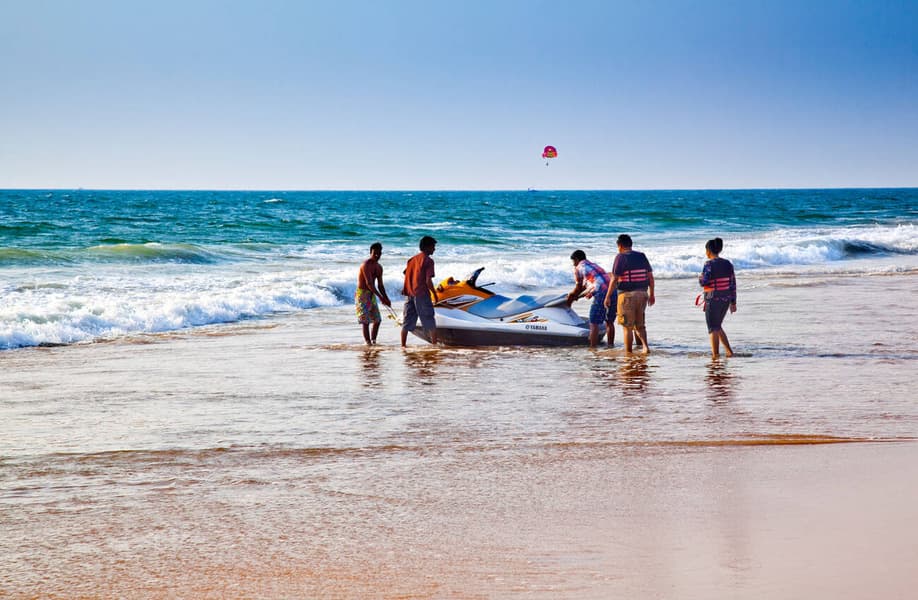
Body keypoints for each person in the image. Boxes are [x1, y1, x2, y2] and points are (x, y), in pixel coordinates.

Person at [604, 234, 655, 353]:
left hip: (627, 295)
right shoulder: (642, 256)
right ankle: (645, 347)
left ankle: (628, 353)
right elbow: (650, 277)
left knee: (627, 327)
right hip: (642, 294)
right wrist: (652, 294)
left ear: (620, 246)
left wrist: (607, 296)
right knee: (640, 325)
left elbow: (614, 279)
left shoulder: (620, 257)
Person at [566, 250, 615, 348]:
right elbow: (588, 285)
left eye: (573, 262)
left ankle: (593, 349)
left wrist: (570, 297)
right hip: (613, 291)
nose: (573, 265)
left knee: (593, 322)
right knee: (609, 321)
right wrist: (578, 295)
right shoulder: (594, 265)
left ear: (576, 259)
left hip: (601, 292)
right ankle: (610, 346)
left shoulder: (579, 267)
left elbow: (579, 287)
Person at [699, 237, 737, 358]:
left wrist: (700, 278)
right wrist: (733, 302)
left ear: (709, 251)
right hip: (725, 298)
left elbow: (704, 282)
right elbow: (732, 284)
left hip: (713, 298)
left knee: (712, 328)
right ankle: (729, 351)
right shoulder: (728, 264)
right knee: (717, 326)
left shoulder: (708, 264)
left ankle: (715, 355)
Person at [400, 235, 439, 346]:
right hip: (421, 293)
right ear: (427, 247)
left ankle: (403, 346)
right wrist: (434, 295)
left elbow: (405, 272)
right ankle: (434, 346)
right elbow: (428, 281)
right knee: (429, 320)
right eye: (433, 246)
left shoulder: (412, 260)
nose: (434, 249)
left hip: (409, 293)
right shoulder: (428, 261)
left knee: (406, 322)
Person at [355, 242, 392, 345]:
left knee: (377, 320)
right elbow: (369, 284)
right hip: (362, 294)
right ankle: (368, 343)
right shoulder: (365, 265)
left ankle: (374, 341)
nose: (377, 255)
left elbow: (380, 285)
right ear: (370, 252)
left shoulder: (379, 267)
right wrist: (380, 297)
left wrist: (386, 298)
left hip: (372, 294)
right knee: (365, 321)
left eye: (379, 253)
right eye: (375, 253)